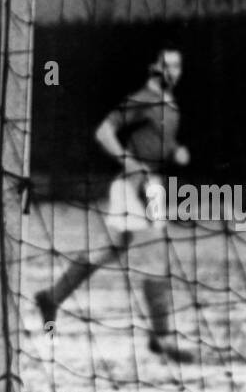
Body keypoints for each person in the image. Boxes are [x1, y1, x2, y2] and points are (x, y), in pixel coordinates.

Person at [33, 45, 192, 362]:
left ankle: (51, 297)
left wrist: (175, 151)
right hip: (137, 185)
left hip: (148, 184)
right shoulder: (143, 100)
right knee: (157, 257)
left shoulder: (169, 104)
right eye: (167, 65)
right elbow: (104, 132)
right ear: (154, 68)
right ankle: (161, 338)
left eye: (177, 66)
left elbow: (158, 141)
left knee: (109, 249)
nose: (172, 71)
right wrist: (130, 163)